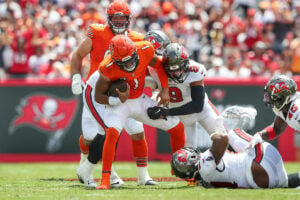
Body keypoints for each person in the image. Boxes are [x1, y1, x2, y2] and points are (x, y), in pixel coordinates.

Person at [70, 0, 155, 188]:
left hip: (124, 93)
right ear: (109, 19)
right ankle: (87, 165)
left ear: (128, 19)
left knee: (137, 133)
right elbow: (77, 54)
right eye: (115, 18)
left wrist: (153, 83)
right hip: (98, 93)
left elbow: (146, 65)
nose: (118, 22)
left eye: (121, 18)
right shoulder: (98, 33)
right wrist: (76, 76)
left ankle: (144, 176)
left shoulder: (137, 38)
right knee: (91, 137)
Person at [93, 35, 185, 190]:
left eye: (131, 59)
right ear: (114, 60)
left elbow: (159, 66)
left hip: (140, 100)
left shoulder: (145, 48)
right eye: (124, 62)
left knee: (177, 127)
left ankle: (181, 169)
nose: (129, 64)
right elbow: (98, 96)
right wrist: (118, 99)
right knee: (112, 134)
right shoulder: (106, 67)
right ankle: (105, 179)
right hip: (120, 105)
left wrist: (164, 90)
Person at [170, 106, 300, 189]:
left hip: (261, 181)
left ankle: (245, 124)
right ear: (192, 157)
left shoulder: (203, 180)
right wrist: (219, 127)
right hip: (262, 162)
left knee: (286, 181)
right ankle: (246, 119)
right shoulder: (204, 166)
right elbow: (223, 140)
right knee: (232, 133)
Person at [147, 43, 226, 149]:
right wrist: (156, 93)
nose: (176, 74)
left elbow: (198, 106)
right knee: (188, 154)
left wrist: (166, 112)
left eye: (179, 69)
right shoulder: (156, 71)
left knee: (224, 139)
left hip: (201, 112)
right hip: (182, 117)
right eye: (172, 70)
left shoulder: (194, 71)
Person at [250, 75, 299, 146]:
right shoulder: (285, 107)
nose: (268, 99)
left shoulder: (297, 109)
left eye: (271, 95)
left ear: (282, 96)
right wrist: (259, 135)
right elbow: (277, 128)